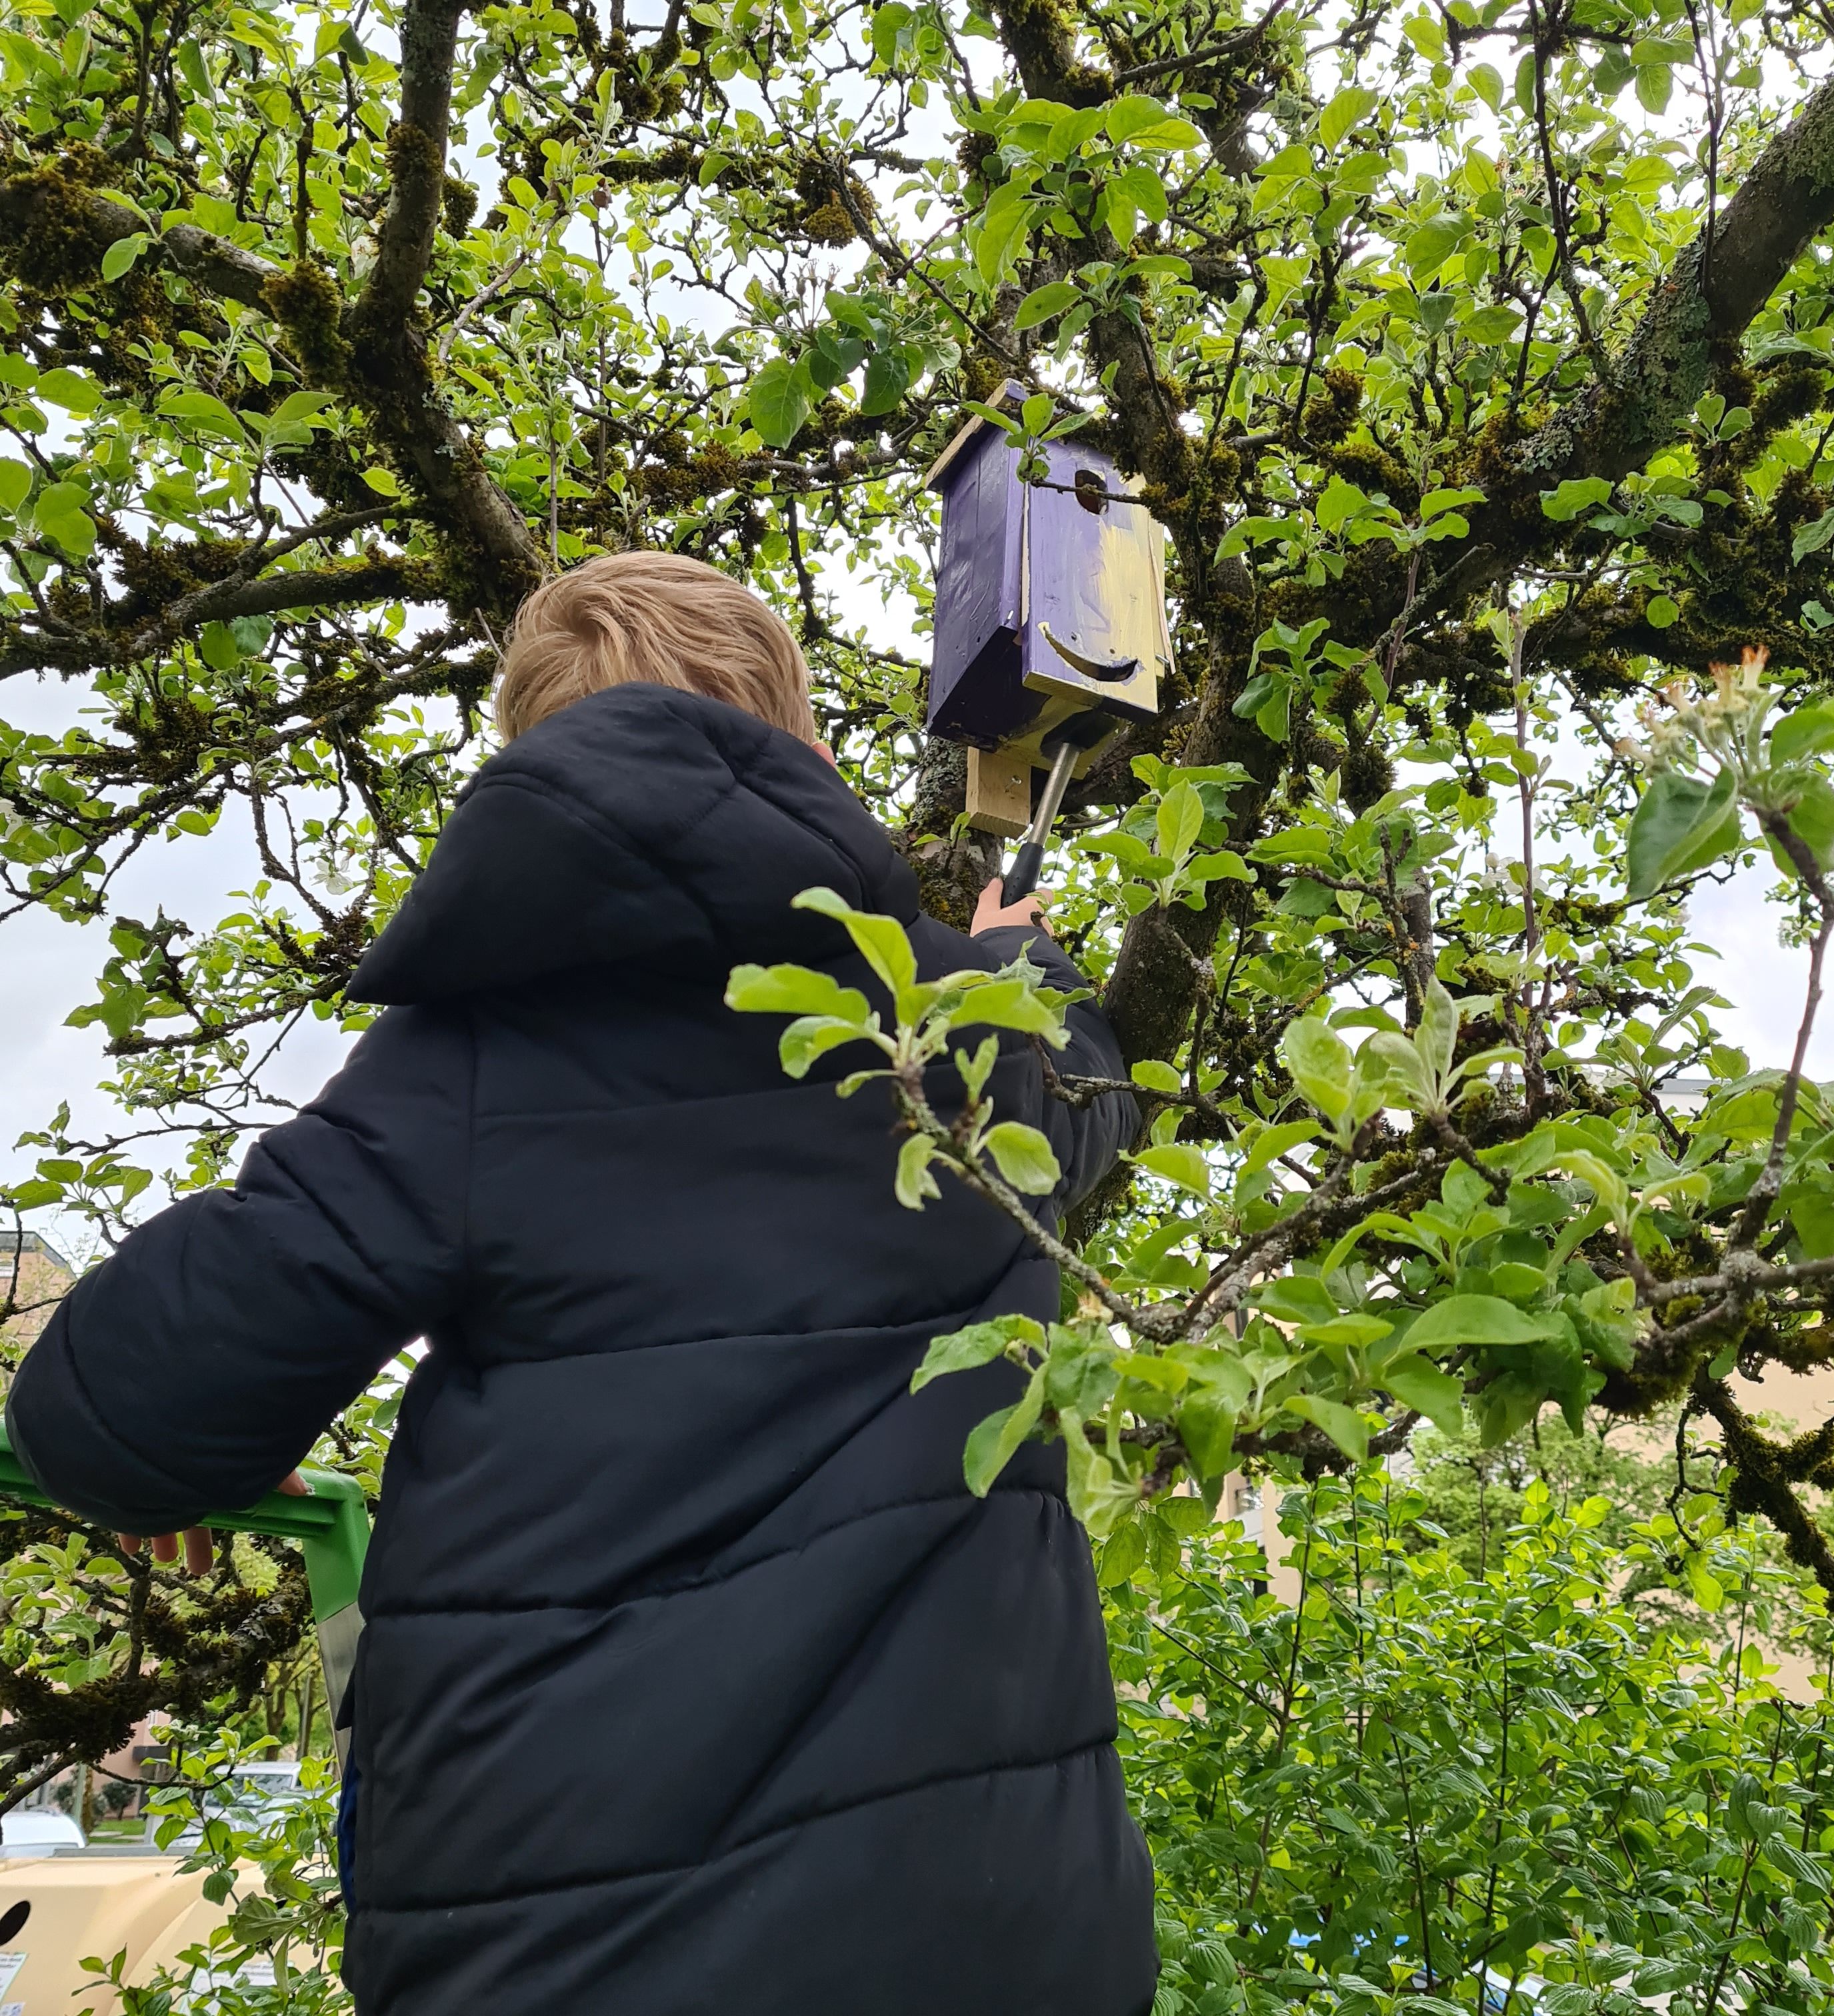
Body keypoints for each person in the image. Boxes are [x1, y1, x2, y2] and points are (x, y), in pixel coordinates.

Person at [6, 552, 1157, 2014]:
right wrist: (1022, 970)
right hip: (994, 1937)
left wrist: (184, 1448)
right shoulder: (963, 1032)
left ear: (533, 772)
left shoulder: (464, 1064)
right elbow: (1096, 1101)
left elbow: (118, 1422)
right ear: (806, 752)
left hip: (574, 1952)